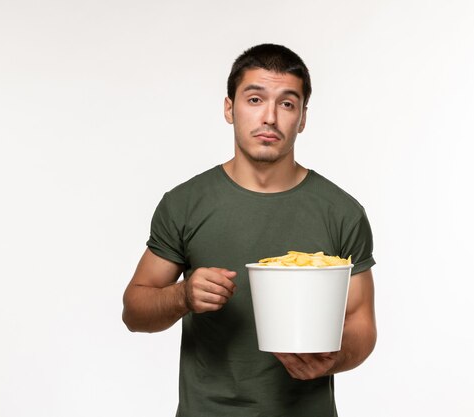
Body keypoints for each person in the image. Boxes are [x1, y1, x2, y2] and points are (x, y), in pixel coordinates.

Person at [122, 43, 377, 417]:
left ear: (303, 118)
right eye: (255, 99)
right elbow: (134, 310)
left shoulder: (342, 213)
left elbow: (362, 324)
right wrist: (183, 296)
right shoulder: (185, 203)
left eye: (287, 104)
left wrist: (332, 358)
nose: (270, 117)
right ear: (230, 108)